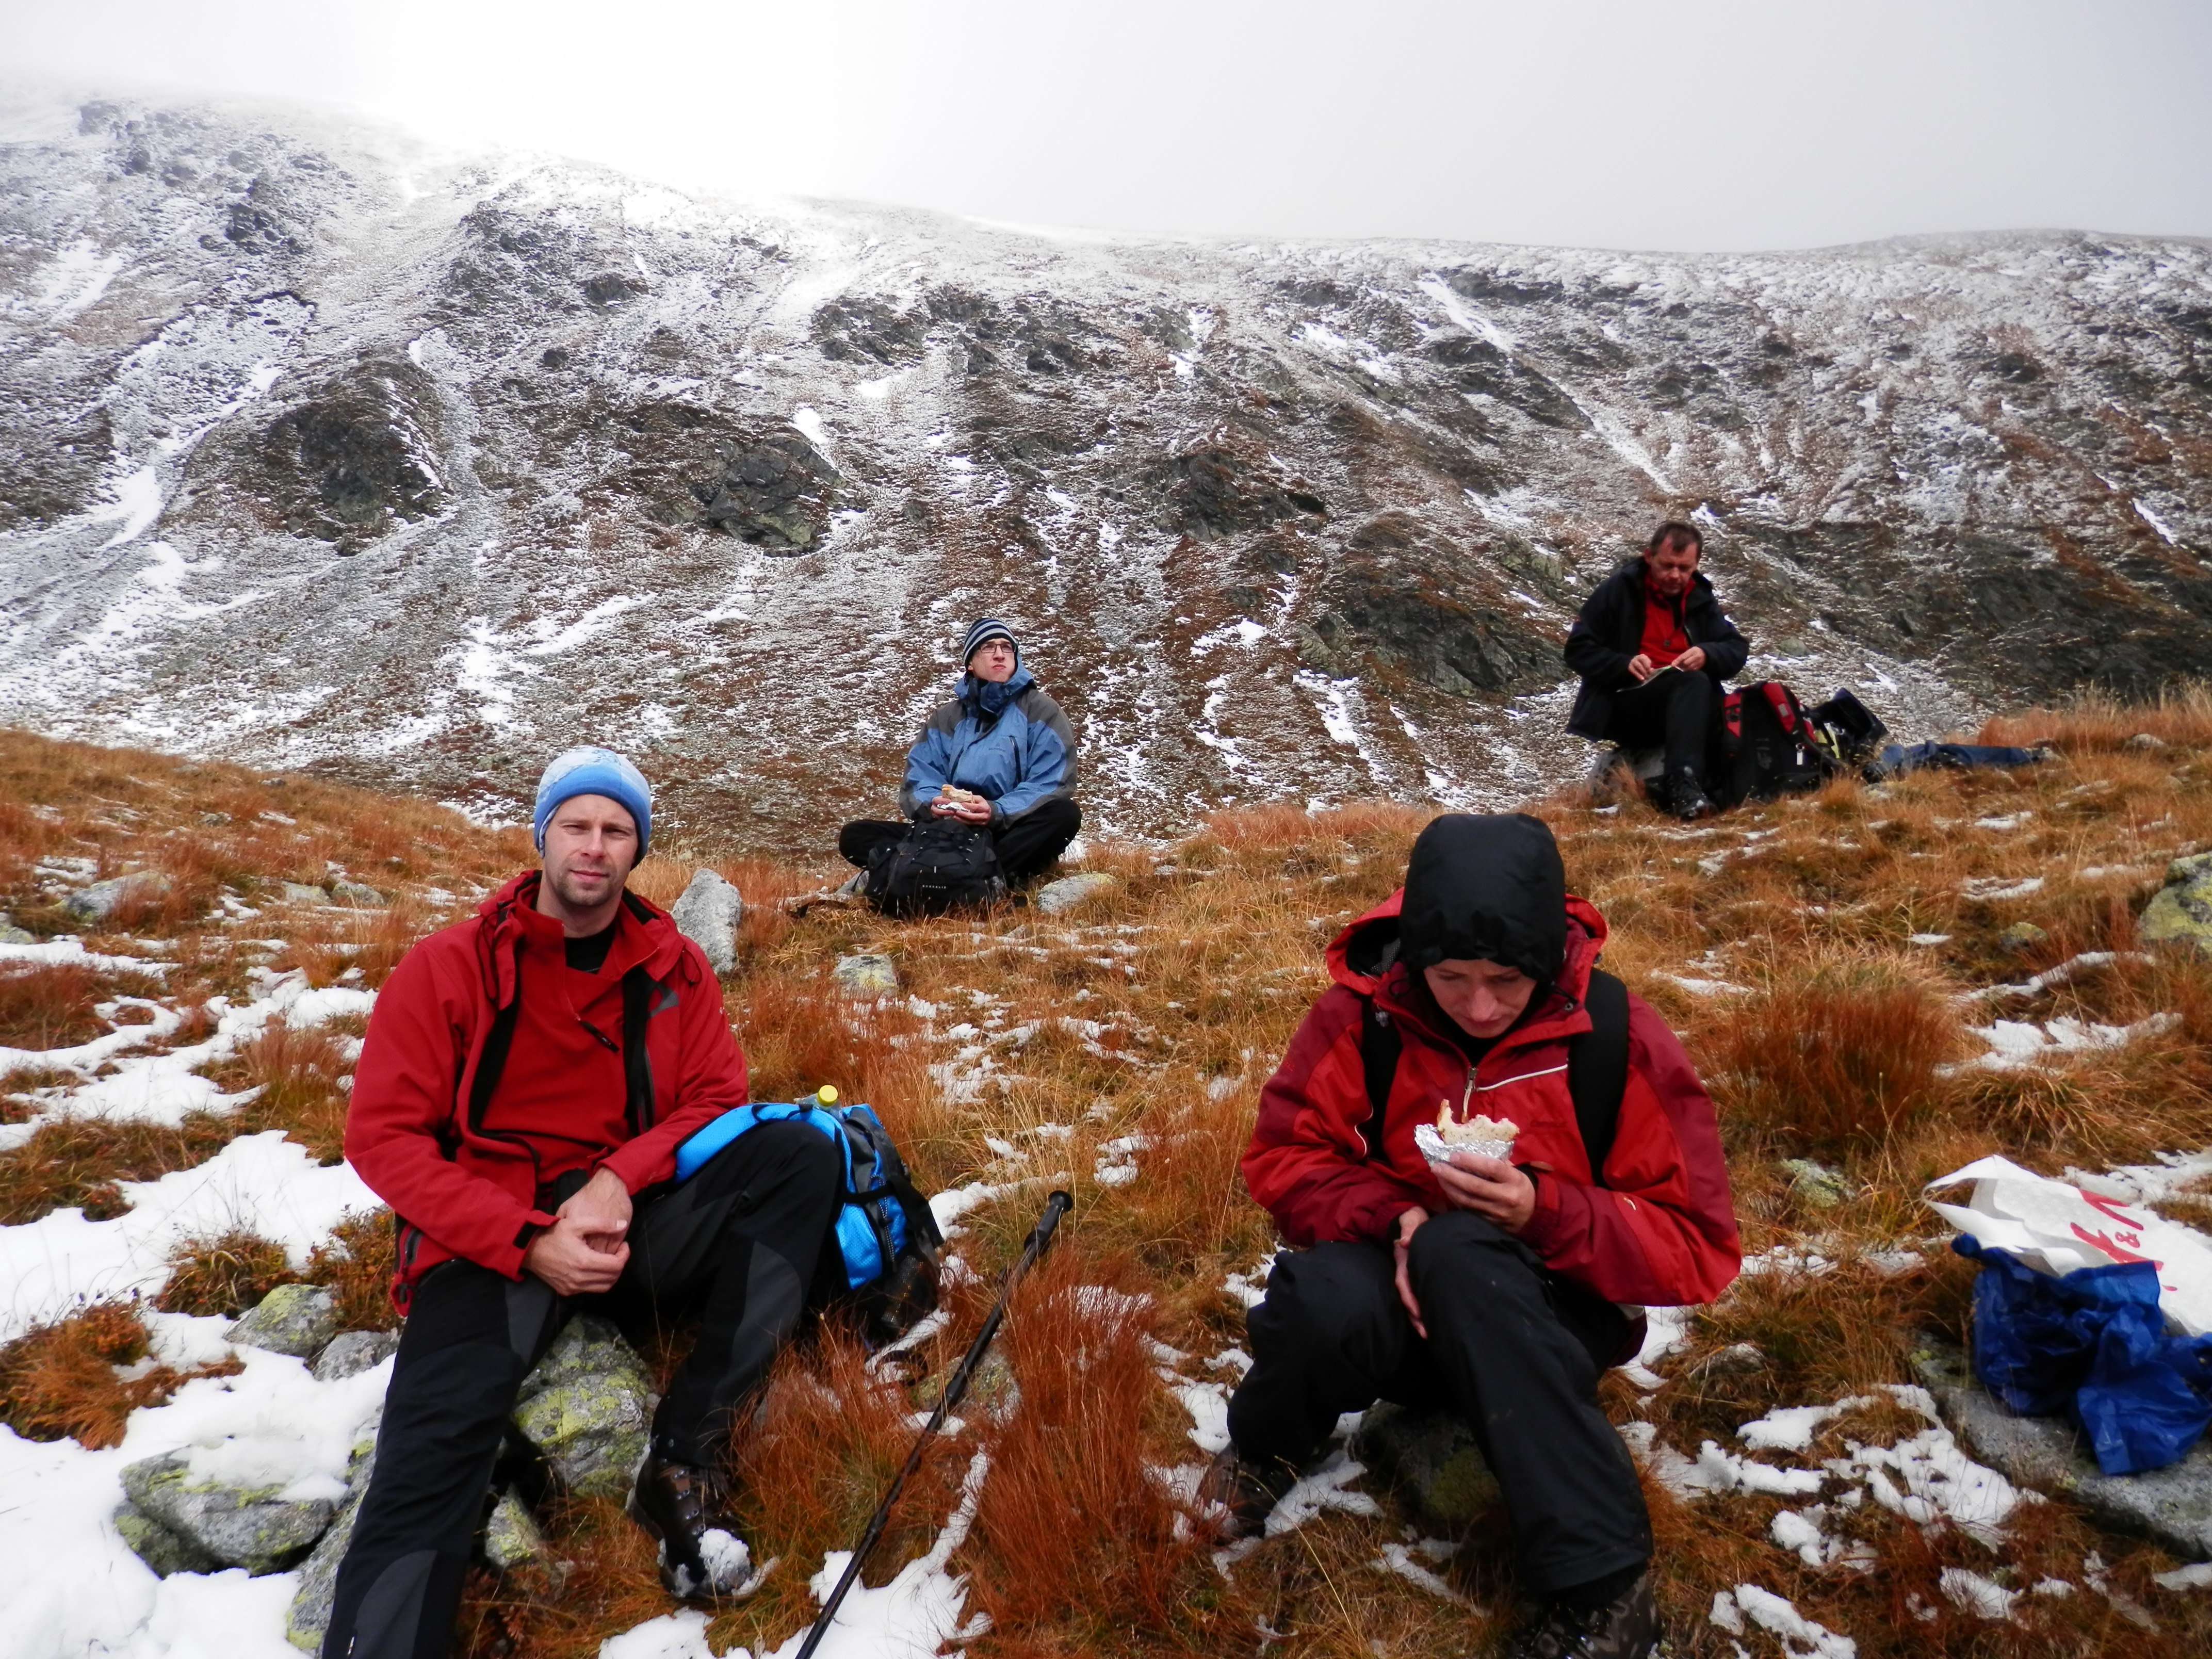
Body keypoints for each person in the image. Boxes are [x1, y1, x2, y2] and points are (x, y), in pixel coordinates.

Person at [327, 746, 847, 1657]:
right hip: (490, 1246)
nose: (595, 846)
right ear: (543, 836)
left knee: (800, 1151)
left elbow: (717, 1097)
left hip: (627, 1224)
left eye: (616, 829)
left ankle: (683, 1461)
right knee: (432, 1448)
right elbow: (382, 1139)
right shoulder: (446, 967)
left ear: (637, 848)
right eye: (576, 825)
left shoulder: (674, 966)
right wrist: (525, 1240)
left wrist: (618, 1177)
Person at [1203, 813, 1739, 1659]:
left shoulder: (1615, 1035)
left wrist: (1542, 1210)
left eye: (1506, 980)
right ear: (1415, 956)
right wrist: (1397, 1217)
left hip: (1552, 1323)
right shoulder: (1366, 1018)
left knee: (1460, 1255)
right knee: (1324, 1295)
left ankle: (1604, 1592)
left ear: (1545, 961)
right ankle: (1265, 1454)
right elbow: (1283, 1157)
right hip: (1404, 1305)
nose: (1480, 1006)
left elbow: (1698, 1243)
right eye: (1452, 978)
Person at [838, 617, 1081, 885]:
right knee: (855, 835)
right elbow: (920, 778)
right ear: (970, 663)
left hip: (1009, 830)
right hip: (951, 832)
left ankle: (945, 872)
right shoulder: (945, 719)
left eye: (1007, 647)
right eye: (988, 647)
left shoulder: (1043, 711)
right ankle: (978, 874)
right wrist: (934, 805)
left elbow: (1051, 783)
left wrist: (996, 810)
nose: (999, 654)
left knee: (1064, 815)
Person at [1564, 521, 1749, 820]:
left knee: (1732, 704)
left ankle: (1732, 789)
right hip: (1626, 704)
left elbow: (1736, 648)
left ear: (1696, 564)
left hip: (1685, 704)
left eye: (1685, 568)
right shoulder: (1618, 591)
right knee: (1693, 683)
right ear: (1649, 557)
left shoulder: (1700, 598)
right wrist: (1623, 664)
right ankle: (1682, 785)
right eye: (1667, 566)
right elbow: (1578, 649)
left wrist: (1707, 654)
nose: (1676, 575)